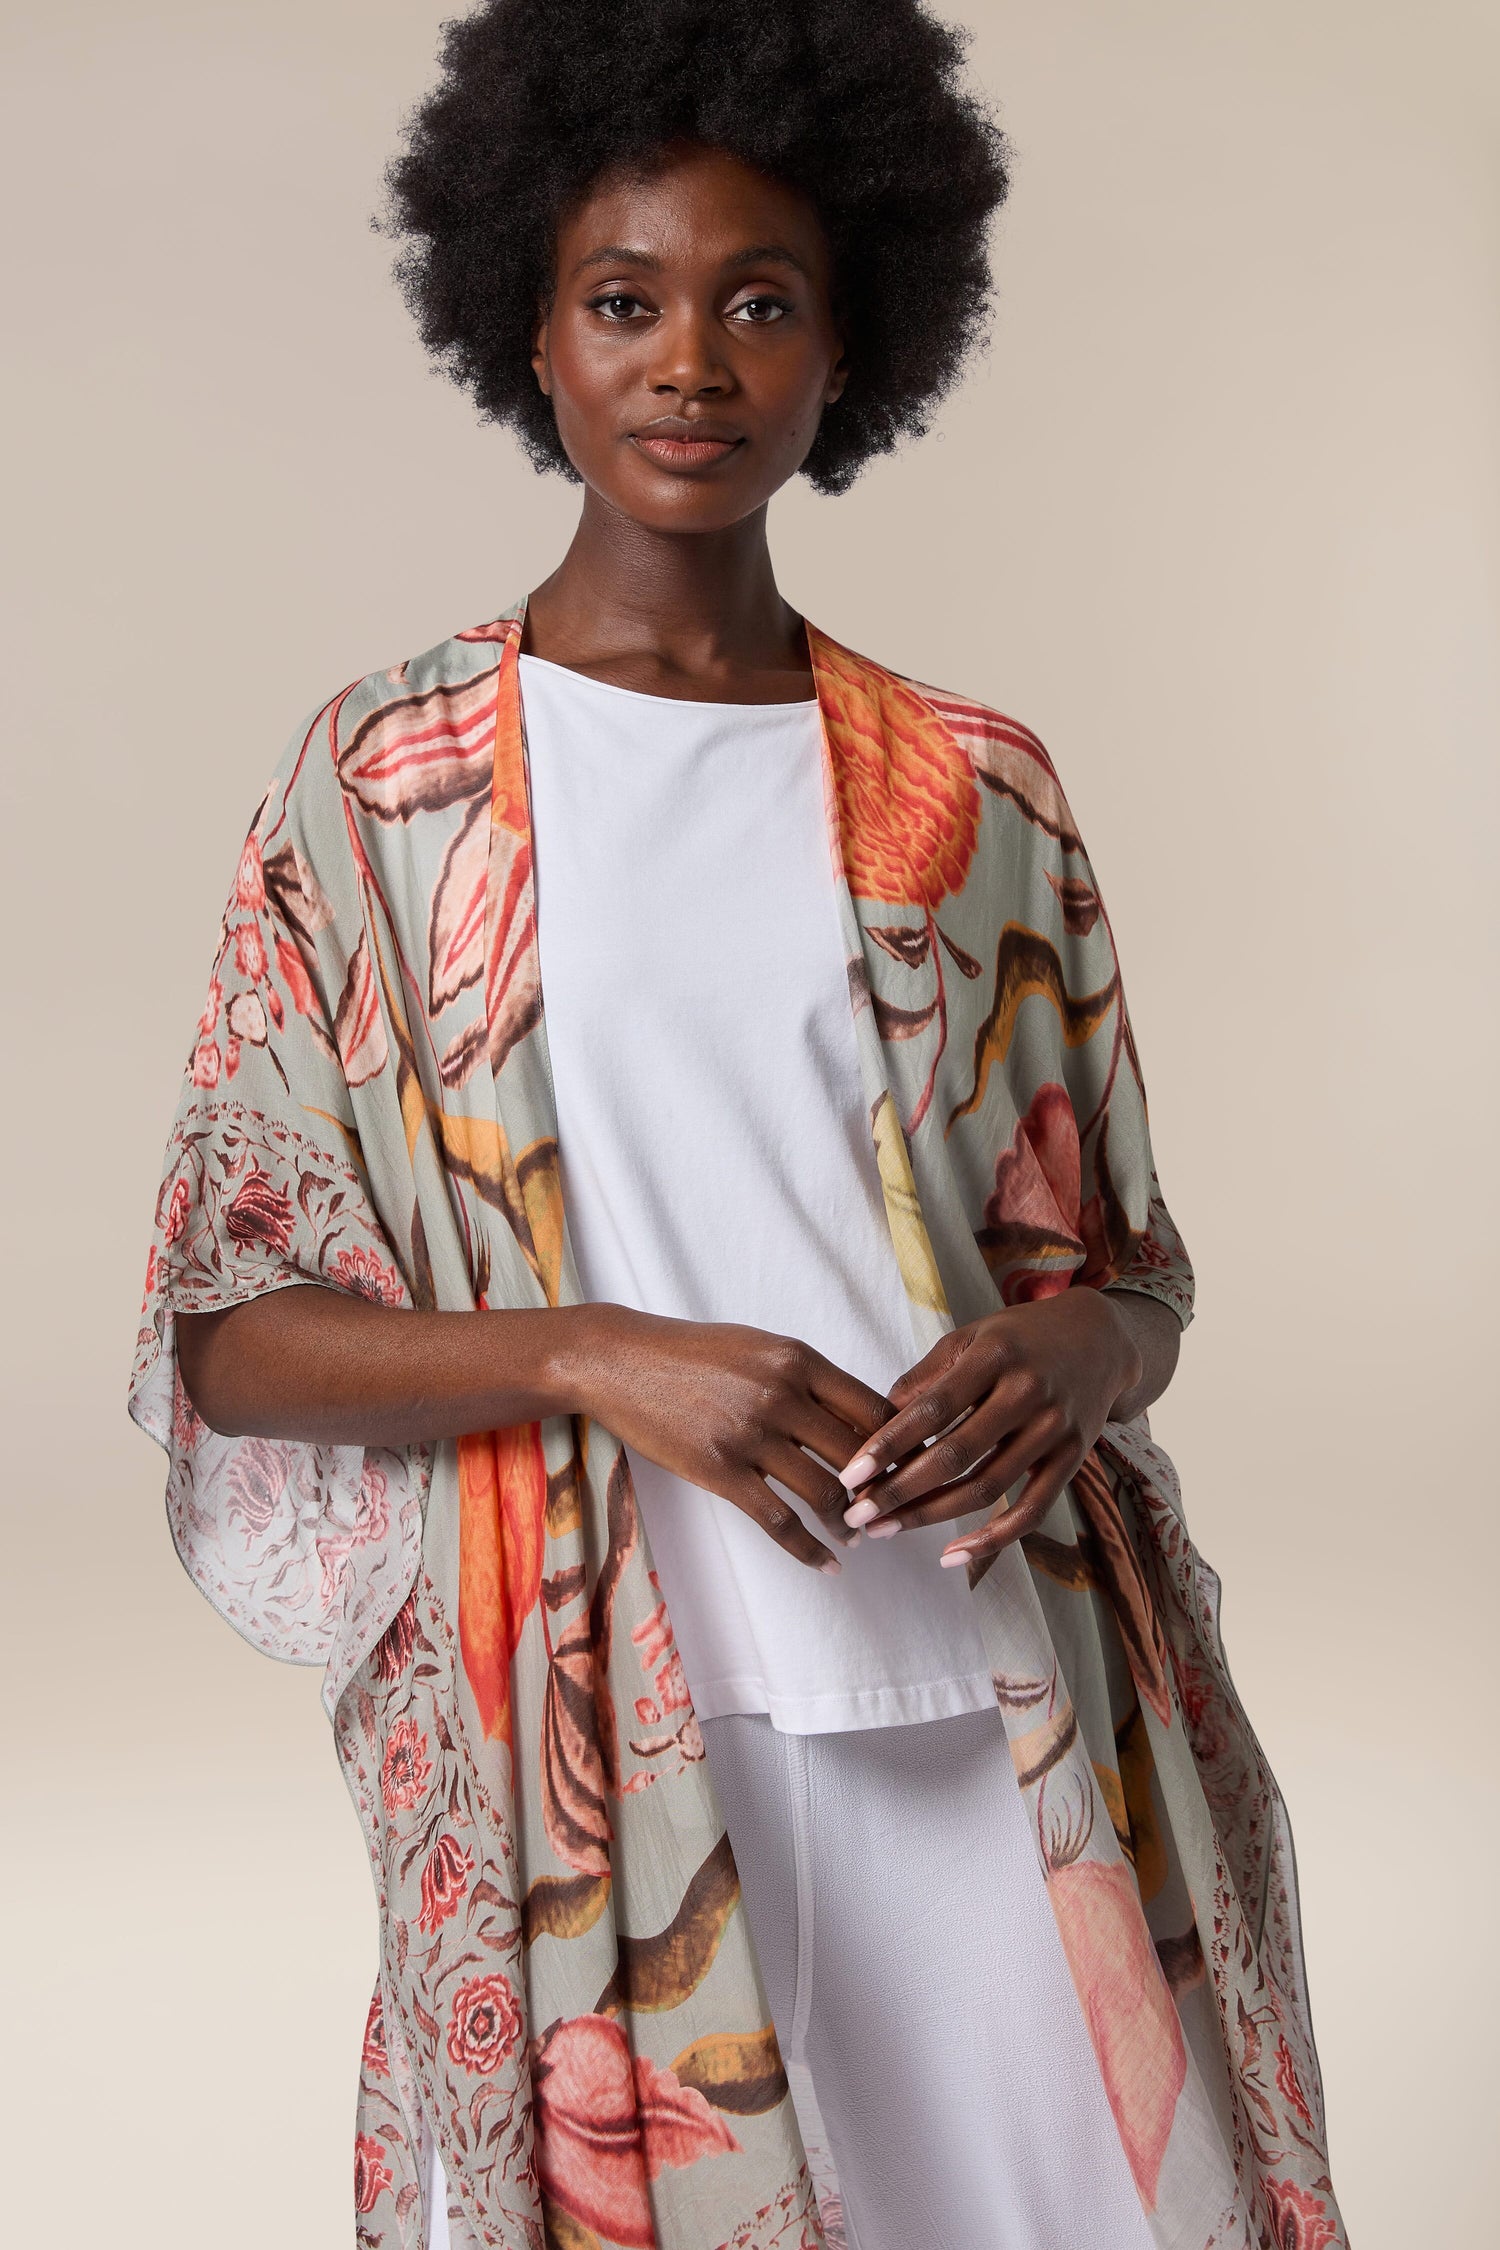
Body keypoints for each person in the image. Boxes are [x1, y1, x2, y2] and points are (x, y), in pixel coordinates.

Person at [129, 4, 1346, 2246]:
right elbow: (231, 1330)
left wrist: (1072, 1359)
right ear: (532, 330)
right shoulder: (388, 792)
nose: (691, 359)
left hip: (993, 1663)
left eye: (757, 302)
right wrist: (600, 1351)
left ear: (847, 346)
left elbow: (1131, 1276)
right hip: (598, 1717)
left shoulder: (974, 790)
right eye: (627, 300)